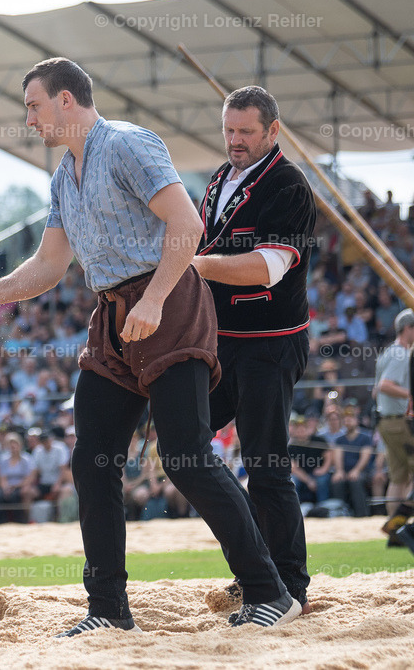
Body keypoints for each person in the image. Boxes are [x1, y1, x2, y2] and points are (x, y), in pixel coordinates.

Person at [0, 59, 298, 634]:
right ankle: (109, 610)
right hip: (113, 316)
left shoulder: (128, 144)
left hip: (169, 304)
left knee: (186, 458)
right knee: (92, 460)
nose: (30, 119)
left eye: (34, 105)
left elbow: (186, 225)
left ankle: (270, 591)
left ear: (67, 100)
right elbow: (48, 265)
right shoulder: (63, 176)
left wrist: (155, 299)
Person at [190, 85, 318, 618]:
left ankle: (288, 585)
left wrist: (193, 265)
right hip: (221, 344)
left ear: (273, 131)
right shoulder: (219, 179)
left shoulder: (289, 185)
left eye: (246, 131)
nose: (235, 140)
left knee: (266, 467)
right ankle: (257, 568)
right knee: (183, 446)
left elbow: (267, 267)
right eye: (229, 130)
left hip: (270, 345)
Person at [375, 309, 414, 518]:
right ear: (408, 328)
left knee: (399, 477)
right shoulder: (401, 354)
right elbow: (385, 385)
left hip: (386, 422)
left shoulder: (388, 352)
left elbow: (375, 390)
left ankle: (395, 526)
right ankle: (406, 523)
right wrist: (411, 394)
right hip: (400, 423)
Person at [330, 407, 374, 517]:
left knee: (356, 480)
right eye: (345, 419)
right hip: (345, 471)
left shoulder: (365, 437)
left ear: (356, 420)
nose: (347, 422)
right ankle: (340, 513)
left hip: (362, 471)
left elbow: (365, 457)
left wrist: (356, 471)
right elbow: (338, 456)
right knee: (337, 481)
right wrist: (339, 471)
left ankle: (362, 514)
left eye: (350, 419)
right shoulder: (340, 439)